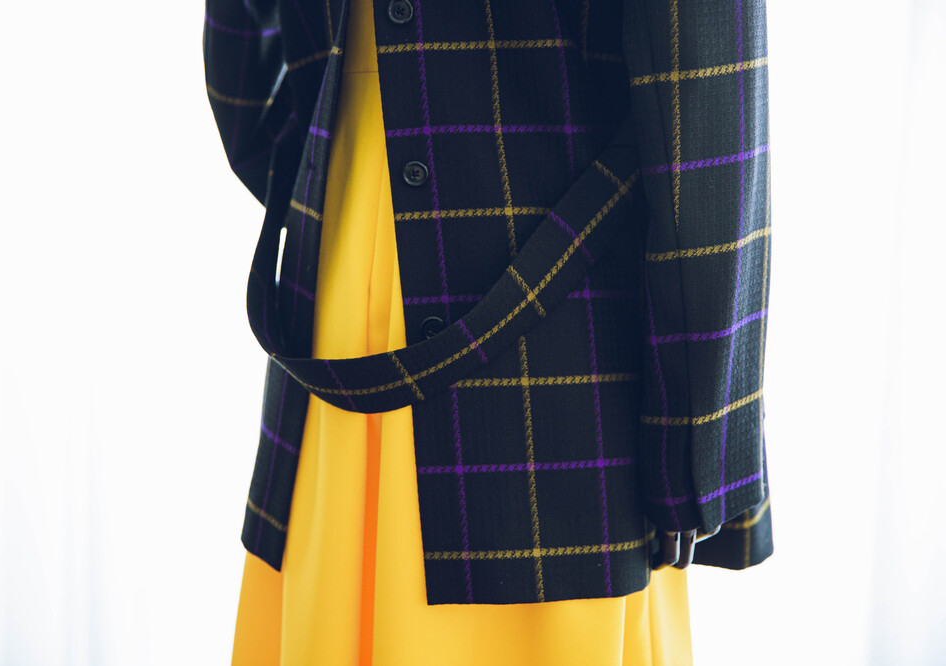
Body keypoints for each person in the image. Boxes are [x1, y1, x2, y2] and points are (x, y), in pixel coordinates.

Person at [204, 0, 773, 663]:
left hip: (337, 282)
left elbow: (243, 77)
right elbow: (704, 84)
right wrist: (701, 446)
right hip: (566, 338)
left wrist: (323, 181)